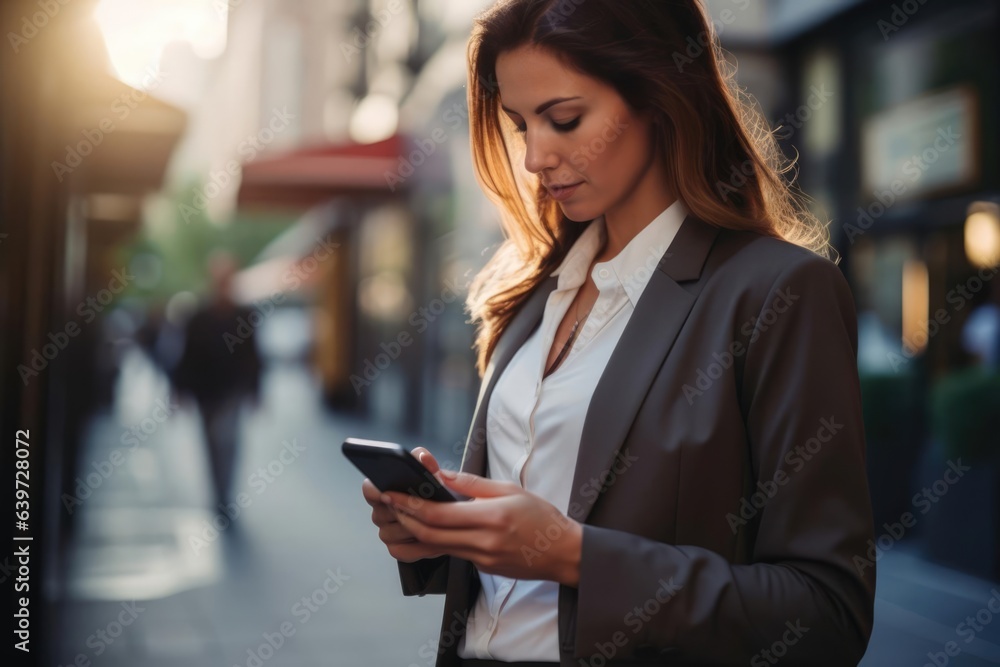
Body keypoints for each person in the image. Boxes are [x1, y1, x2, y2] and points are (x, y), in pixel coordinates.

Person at [360, 2, 875, 665]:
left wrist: (575, 555)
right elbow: (511, 592)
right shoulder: (533, 295)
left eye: (565, 119)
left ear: (660, 95)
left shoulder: (776, 293)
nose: (536, 158)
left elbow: (827, 612)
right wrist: (445, 535)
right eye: (521, 125)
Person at [172, 250, 262, 507]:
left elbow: (253, 355)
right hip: (206, 391)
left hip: (233, 390)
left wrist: (256, 390)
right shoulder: (199, 316)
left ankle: (225, 493)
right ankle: (218, 492)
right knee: (211, 443)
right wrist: (178, 390)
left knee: (229, 441)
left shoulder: (245, 315)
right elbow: (187, 354)